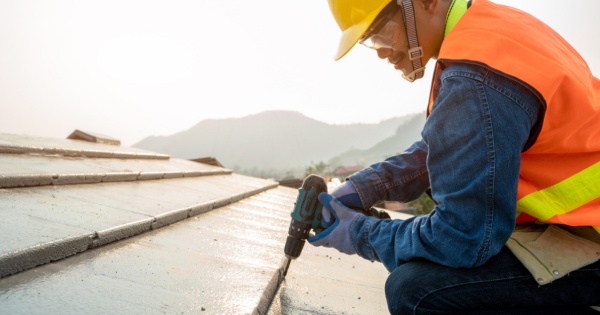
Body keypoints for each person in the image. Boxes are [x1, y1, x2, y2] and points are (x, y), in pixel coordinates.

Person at [307, 0, 600, 313]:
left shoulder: (477, 80)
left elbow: (462, 238)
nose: (381, 51)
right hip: (582, 228)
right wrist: (367, 187)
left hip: (590, 239)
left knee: (417, 290)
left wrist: (360, 234)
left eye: (384, 32)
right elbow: (459, 148)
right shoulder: (490, 34)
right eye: (371, 41)